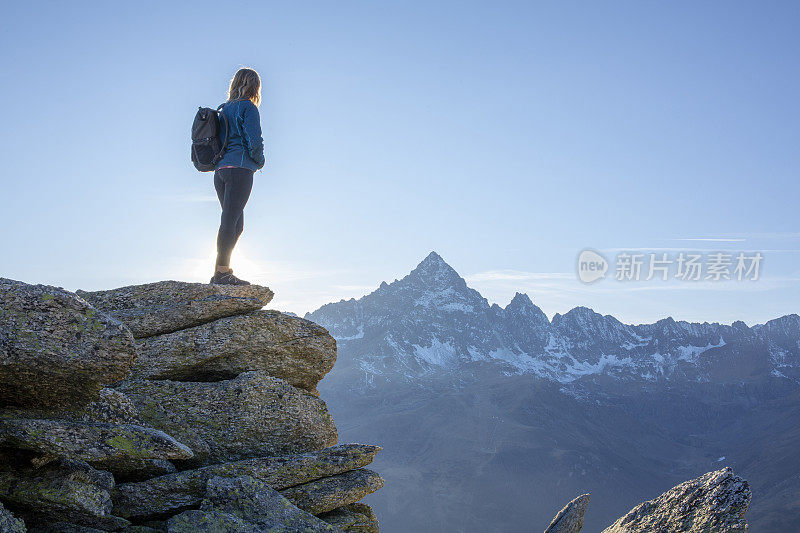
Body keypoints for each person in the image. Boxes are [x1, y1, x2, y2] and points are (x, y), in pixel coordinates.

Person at [210, 68, 266, 285]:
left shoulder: (223, 109)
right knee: (230, 220)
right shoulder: (248, 108)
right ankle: (222, 273)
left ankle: (221, 271)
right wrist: (259, 160)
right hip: (240, 169)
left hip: (220, 172)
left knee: (235, 223)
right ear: (254, 87)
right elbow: (254, 140)